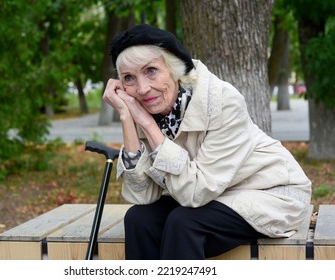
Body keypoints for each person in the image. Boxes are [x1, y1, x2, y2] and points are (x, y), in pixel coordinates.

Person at [103, 24, 311, 260]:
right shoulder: (147, 104)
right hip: (214, 195)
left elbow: (196, 193)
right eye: (129, 78)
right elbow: (142, 196)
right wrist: (126, 118)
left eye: (151, 71)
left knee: (184, 223)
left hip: (268, 192)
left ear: (173, 69)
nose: (142, 88)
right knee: (139, 219)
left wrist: (148, 125)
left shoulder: (223, 100)